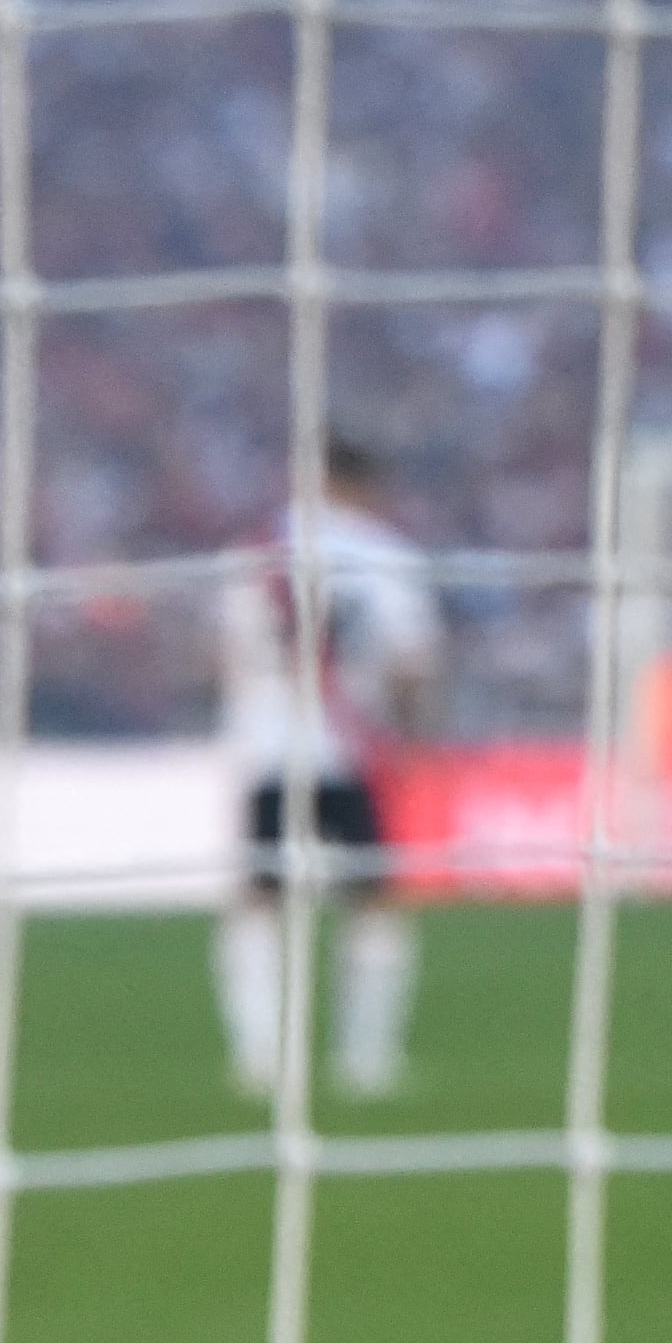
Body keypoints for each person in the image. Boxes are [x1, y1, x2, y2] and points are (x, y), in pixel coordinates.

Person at [212, 432, 442, 1099]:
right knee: (373, 899)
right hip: (351, 745)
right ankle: (367, 1060)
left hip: (268, 745)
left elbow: (225, 653)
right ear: (362, 482)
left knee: (259, 899)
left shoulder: (255, 550)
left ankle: (258, 1057)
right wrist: (412, 734)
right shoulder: (384, 554)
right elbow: (409, 661)